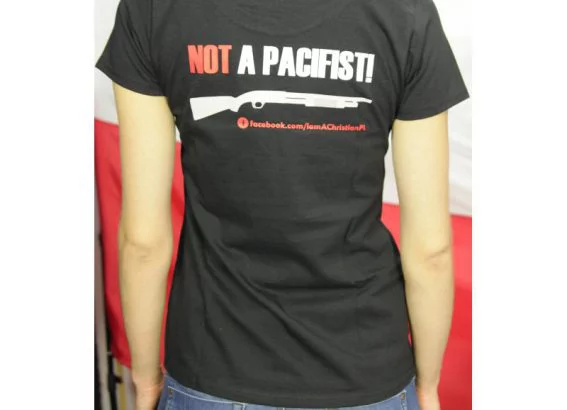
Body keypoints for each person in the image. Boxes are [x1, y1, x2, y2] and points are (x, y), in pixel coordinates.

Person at [95, 0, 469, 408]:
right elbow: (431, 250)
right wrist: (428, 384)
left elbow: (142, 242)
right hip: (366, 371)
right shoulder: (404, 13)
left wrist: (146, 378)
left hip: (211, 369)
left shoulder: (153, 9)